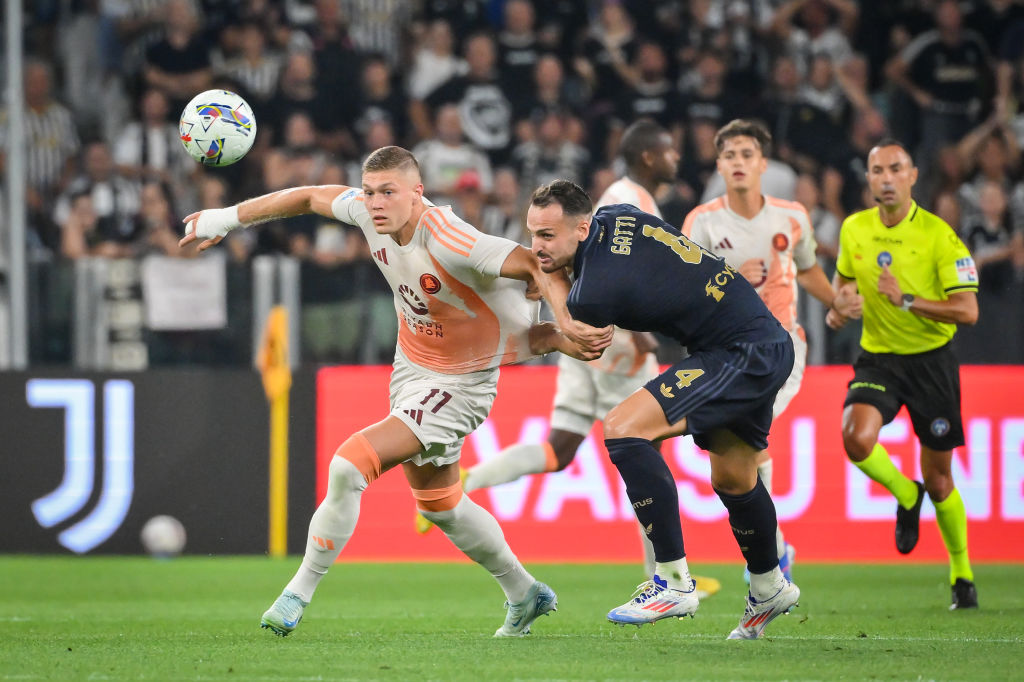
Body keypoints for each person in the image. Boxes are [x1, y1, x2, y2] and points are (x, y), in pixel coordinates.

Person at [178, 146, 612, 637]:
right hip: (412, 366)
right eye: (369, 192)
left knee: (349, 464)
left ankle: (297, 592)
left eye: (388, 192)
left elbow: (536, 266)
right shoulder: (368, 214)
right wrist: (225, 217)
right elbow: (307, 197)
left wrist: (566, 324)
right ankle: (525, 592)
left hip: (463, 381)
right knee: (441, 505)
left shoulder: (451, 237)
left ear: (417, 193)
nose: (376, 202)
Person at [437, 119, 720, 599]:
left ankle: (471, 478)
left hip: (578, 341)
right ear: (649, 156)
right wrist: (644, 336)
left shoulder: (613, 195)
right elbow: (614, 273)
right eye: (670, 151)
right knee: (645, 448)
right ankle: (666, 576)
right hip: (614, 342)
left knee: (560, 448)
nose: (678, 158)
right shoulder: (630, 203)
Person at [525, 178, 799, 640]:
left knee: (623, 429)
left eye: (547, 236)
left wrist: (543, 278)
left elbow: (578, 332)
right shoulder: (616, 218)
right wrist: (550, 268)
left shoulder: (595, 289)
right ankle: (770, 585)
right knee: (733, 477)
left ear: (582, 228)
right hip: (757, 340)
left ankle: (672, 581)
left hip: (739, 350)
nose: (536, 246)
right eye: (532, 233)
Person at [681, 119, 862, 583]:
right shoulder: (701, 222)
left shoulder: (791, 216)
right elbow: (686, 296)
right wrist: (733, 277)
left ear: (763, 164)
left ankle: (770, 557)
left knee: (745, 436)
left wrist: (836, 301)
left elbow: (807, 271)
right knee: (740, 447)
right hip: (726, 350)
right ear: (719, 165)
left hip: (781, 348)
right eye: (730, 156)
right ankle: (776, 548)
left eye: (747, 155)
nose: (738, 163)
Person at [826, 140, 981, 610]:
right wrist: (840, 308)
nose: (887, 178)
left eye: (896, 169)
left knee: (941, 481)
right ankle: (903, 492)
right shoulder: (855, 228)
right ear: (869, 179)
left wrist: (908, 301)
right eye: (878, 170)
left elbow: (968, 310)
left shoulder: (939, 236)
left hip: (932, 363)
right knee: (855, 438)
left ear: (913, 176)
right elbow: (844, 286)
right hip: (880, 359)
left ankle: (962, 573)